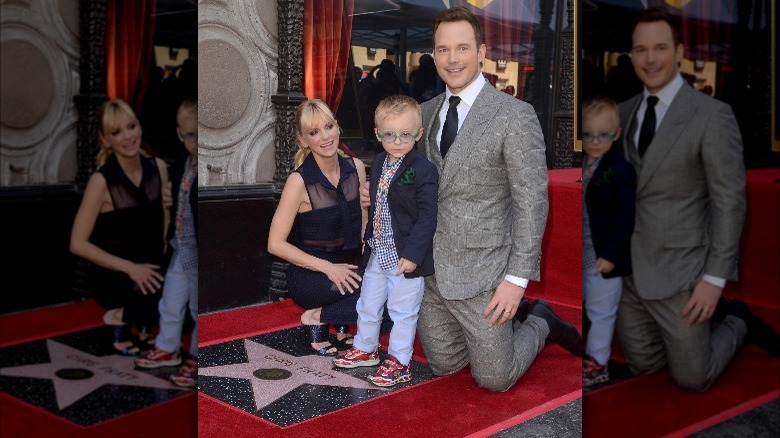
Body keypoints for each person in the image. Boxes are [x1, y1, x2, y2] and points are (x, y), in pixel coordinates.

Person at [413, 6, 582, 392]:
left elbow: (531, 201)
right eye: (443, 50)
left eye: (462, 48)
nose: (452, 59)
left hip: (485, 272)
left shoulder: (514, 116)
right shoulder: (421, 115)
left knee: (494, 379)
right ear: (434, 54)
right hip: (431, 272)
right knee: (444, 365)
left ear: (482, 51)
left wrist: (516, 279)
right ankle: (503, 328)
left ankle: (540, 320)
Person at [616, 7, 779, 391]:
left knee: (693, 377)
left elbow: (729, 200)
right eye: (641, 50)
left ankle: (738, 319)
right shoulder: (621, 113)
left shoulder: (712, 115)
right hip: (630, 274)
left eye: (660, 48)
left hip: (684, 271)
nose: (650, 59)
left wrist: (715, 279)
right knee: (642, 366)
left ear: (679, 51)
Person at [333, 95, 438, 387]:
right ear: (378, 134)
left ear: (418, 134)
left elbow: (427, 217)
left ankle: (400, 361)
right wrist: (368, 237)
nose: (397, 141)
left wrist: (414, 254)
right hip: (378, 250)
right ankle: (366, 348)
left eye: (406, 134)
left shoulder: (423, 169)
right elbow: (379, 202)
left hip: (405, 255)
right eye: (389, 134)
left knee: (403, 311)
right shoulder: (378, 161)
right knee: (368, 303)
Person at [268, 99, 368, 356]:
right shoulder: (298, 181)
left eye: (328, 126)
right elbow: (275, 244)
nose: (325, 137)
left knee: (399, 290)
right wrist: (328, 268)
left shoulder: (356, 168)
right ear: (303, 140)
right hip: (312, 274)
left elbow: (362, 223)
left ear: (337, 128)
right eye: (314, 132)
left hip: (352, 266)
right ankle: (318, 316)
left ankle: (325, 317)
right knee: (377, 296)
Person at [70, 98, 169, 356]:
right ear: (105, 140)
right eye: (116, 132)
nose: (127, 137)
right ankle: (125, 316)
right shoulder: (100, 181)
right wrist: (131, 269)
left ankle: (135, 317)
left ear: (139, 127)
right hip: (116, 272)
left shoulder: (158, 168)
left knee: (183, 284)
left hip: (152, 264)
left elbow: (164, 225)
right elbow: (77, 244)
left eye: (131, 126)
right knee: (157, 288)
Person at [135, 98, 199, 387]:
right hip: (180, 244)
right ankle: (168, 346)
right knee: (170, 300)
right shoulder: (183, 161)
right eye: (191, 135)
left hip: (199, 250)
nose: (197, 141)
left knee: (199, 307)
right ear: (179, 134)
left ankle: (199, 356)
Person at [581, 96, 636, 387]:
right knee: (586, 309)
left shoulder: (621, 170)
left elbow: (625, 216)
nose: (595, 141)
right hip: (583, 252)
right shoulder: (583, 166)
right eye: (588, 134)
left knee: (601, 311)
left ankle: (598, 363)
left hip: (604, 256)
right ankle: (584, 356)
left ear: (616, 134)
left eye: (603, 135)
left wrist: (612, 254)